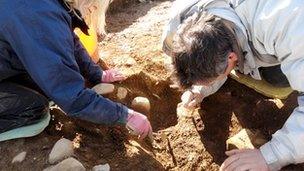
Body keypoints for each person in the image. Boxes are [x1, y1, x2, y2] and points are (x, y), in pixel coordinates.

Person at [162, 0, 304, 170]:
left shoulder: (289, 28)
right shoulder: (179, 24)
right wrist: (199, 89)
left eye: (212, 79)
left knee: (278, 80)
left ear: (231, 58)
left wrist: (271, 156)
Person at [0, 0, 152, 142]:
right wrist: (125, 115)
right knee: (34, 110)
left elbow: (64, 38)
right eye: (92, 8)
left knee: (44, 86)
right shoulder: (40, 18)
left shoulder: (47, 7)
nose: (89, 13)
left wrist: (97, 74)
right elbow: (72, 98)